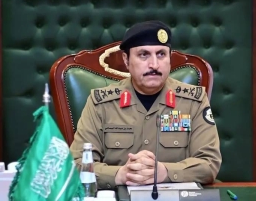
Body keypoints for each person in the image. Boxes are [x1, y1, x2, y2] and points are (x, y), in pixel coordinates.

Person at [70, 20, 222, 190]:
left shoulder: (194, 101)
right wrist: (121, 174)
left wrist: (165, 172)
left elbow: (209, 163)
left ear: (169, 59)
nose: (154, 65)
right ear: (126, 60)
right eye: (144, 54)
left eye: (161, 54)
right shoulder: (101, 103)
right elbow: (76, 164)